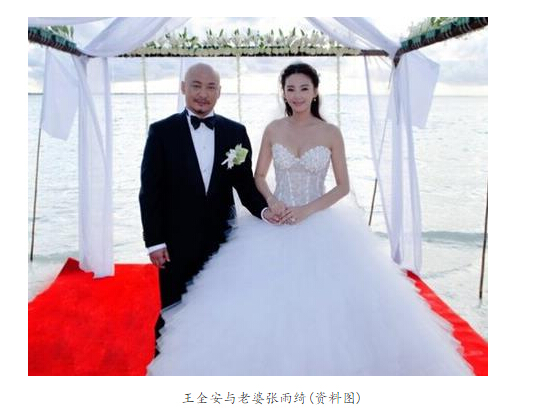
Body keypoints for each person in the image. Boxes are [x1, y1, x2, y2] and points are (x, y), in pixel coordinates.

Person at [146, 63, 473, 375]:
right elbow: (256, 178)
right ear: (283, 93)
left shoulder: (329, 132)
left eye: (304, 88)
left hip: (319, 224)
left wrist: (305, 210)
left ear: (315, 91)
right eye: (291, 89)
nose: (297, 95)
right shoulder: (270, 130)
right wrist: (272, 204)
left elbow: (342, 186)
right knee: (238, 304)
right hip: (272, 223)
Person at [139, 63, 277, 353]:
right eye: (196, 85)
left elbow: (245, 186)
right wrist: (155, 241)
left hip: (222, 242)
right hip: (175, 243)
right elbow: (150, 192)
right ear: (183, 88)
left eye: (210, 87)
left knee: (219, 310)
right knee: (173, 311)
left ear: (219, 92)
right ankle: (166, 368)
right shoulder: (161, 132)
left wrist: (266, 212)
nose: (203, 93)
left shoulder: (235, 132)